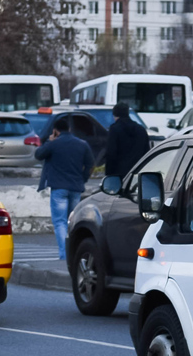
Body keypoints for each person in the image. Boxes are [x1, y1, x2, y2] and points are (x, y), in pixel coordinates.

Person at [35, 122, 96, 260]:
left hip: (58, 188)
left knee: (60, 222)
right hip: (76, 188)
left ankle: (64, 255)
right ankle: (74, 253)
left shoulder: (54, 144)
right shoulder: (82, 144)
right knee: (73, 221)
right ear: (69, 128)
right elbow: (90, 164)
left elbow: (38, 154)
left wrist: (49, 141)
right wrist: (83, 178)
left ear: (55, 131)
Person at [106, 102, 150, 180]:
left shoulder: (114, 129)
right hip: (138, 172)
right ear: (127, 113)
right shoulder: (140, 129)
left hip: (119, 173)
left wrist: (109, 175)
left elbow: (111, 153)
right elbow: (147, 151)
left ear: (115, 115)